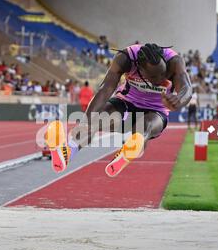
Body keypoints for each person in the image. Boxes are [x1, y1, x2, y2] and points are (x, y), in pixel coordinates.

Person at [45, 43, 192, 177]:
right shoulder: (126, 58)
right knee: (96, 121)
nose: (161, 78)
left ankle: (127, 153)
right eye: (154, 76)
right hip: (126, 102)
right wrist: (86, 122)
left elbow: (186, 87)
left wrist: (179, 99)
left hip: (156, 110)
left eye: (163, 73)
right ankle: (68, 150)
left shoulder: (174, 62)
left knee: (143, 128)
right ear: (139, 68)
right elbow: (106, 88)